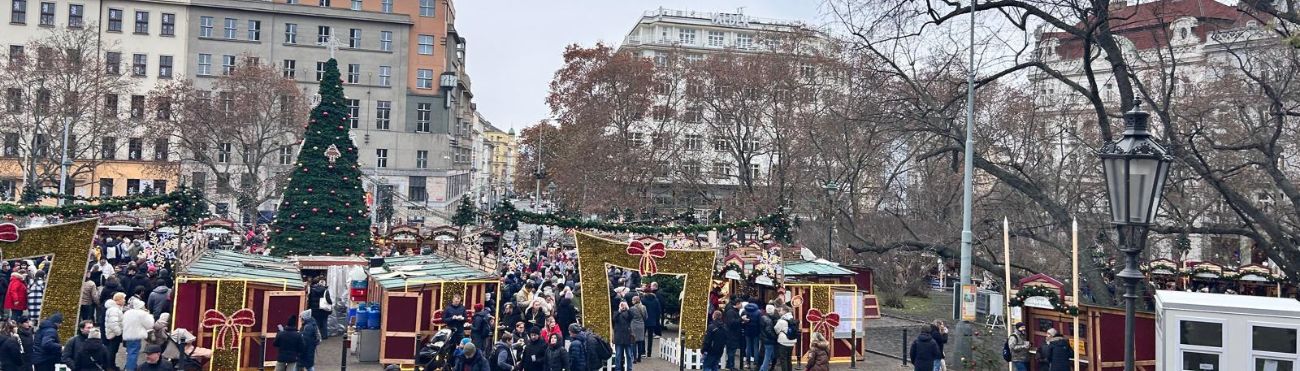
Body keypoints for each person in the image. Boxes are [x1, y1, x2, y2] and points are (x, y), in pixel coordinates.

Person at [123, 297, 154, 371]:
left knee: (130, 352)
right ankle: (130, 368)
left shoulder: (127, 312)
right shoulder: (142, 314)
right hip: (136, 335)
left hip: (127, 334)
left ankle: (129, 366)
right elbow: (150, 324)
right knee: (133, 353)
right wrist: (149, 315)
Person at [612, 301, 634, 371]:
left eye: (624, 305)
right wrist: (619, 310)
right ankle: (618, 369)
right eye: (621, 305)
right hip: (619, 337)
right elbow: (614, 319)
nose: (623, 307)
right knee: (618, 355)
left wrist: (628, 309)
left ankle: (629, 369)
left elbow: (631, 316)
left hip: (627, 337)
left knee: (629, 355)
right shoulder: (616, 313)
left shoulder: (628, 313)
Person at [723, 300, 743, 370]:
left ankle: (729, 365)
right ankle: (731, 366)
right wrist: (741, 319)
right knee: (731, 351)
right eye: (741, 304)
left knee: (731, 350)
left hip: (733, 334)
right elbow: (731, 323)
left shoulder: (733, 311)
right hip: (731, 334)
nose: (741, 305)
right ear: (737, 304)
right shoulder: (731, 312)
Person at [640, 289, 661, 357]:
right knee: (650, 338)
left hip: (644, 320)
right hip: (652, 321)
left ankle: (643, 352)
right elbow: (658, 311)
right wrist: (656, 319)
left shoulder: (643, 300)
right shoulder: (656, 300)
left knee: (642, 337)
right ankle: (649, 353)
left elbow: (641, 310)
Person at [758, 305, 778, 371]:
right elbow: (768, 331)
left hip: (764, 339)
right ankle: (763, 369)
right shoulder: (769, 320)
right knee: (767, 357)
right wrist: (774, 337)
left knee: (769, 355)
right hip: (769, 340)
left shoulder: (763, 317)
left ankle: (763, 368)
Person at [742, 302, 762, 367]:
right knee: (756, 347)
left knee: (748, 346)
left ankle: (747, 363)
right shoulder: (758, 312)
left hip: (747, 331)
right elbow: (760, 323)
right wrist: (759, 331)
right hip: (756, 332)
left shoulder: (744, 311)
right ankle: (756, 363)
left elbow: (742, 321)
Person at [628, 296, 646, 363]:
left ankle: (634, 358)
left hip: (634, 326)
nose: (632, 301)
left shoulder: (631, 309)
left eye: (633, 300)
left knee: (634, 343)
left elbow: (629, 317)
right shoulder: (644, 307)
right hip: (641, 325)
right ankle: (639, 358)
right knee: (640, 342)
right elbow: (646, 317)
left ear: (635, 301)